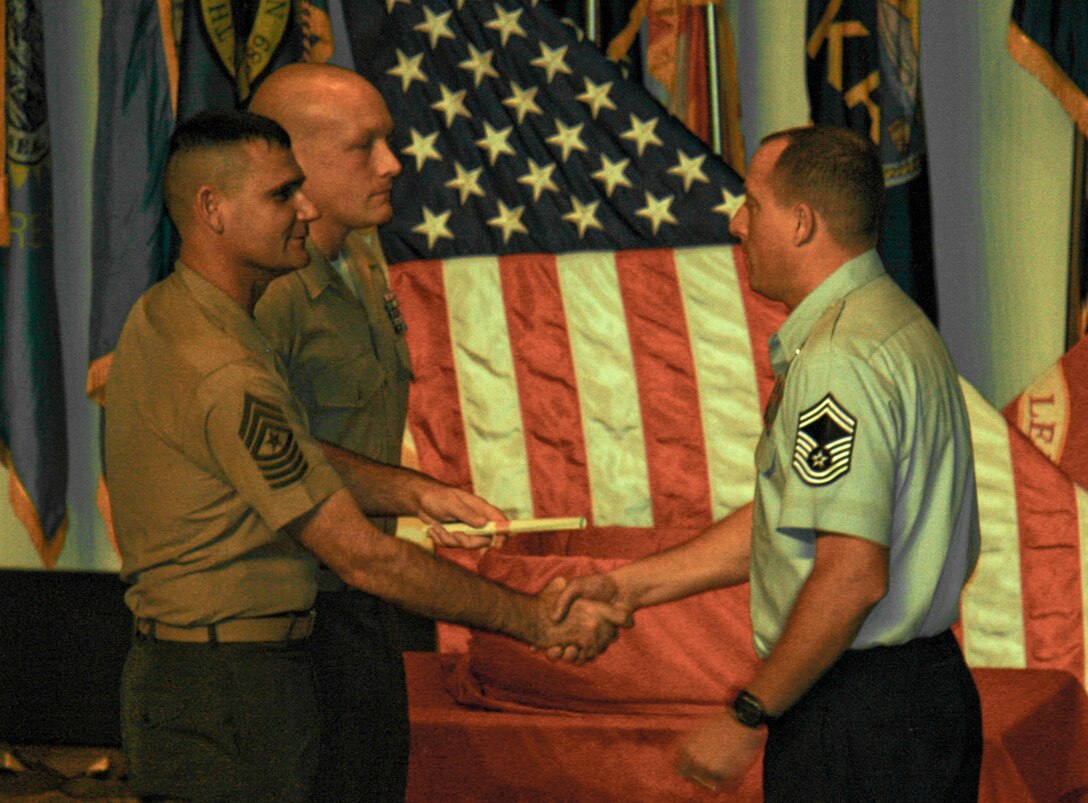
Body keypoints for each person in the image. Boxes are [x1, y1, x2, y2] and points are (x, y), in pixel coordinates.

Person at [106, 109, 628, 802]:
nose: (306, 208)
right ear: (212, 209)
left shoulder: (181, 313)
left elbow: (279, 450)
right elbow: (362, 556)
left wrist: (411, 491)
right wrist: (532, 619)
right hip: (226, 688)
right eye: (281, 195)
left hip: (225, 675)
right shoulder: (221, 361)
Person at [550, 125, 983, 800]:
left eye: (753, 203)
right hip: (909, 697)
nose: (736, 221)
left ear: (802, 223)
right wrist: (629, 587)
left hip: (854, 715)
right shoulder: (891, 321)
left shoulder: (839, 357)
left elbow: (852, 575)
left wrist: (748, 711)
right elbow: (797, 518)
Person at [248, 63, 491, 801]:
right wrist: (411, 493)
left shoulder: (356, 255)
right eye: (364, 146)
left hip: (360, 597)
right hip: (293, 616)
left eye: (388, 140)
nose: (392, 163)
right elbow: (267, 446)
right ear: (292, 161)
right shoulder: (268, 291)